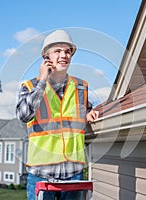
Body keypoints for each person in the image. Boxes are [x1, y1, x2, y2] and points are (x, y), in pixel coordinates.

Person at [16, 29, 99, 200]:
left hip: (73, 172)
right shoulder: (30, 86)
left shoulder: (80, 86)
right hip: (41, 173)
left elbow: (82, 110)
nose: (64, 55)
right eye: (58, 51)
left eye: (68, 51)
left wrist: (89, 113)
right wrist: (41, 82)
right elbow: (24, 115)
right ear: (46, 57)